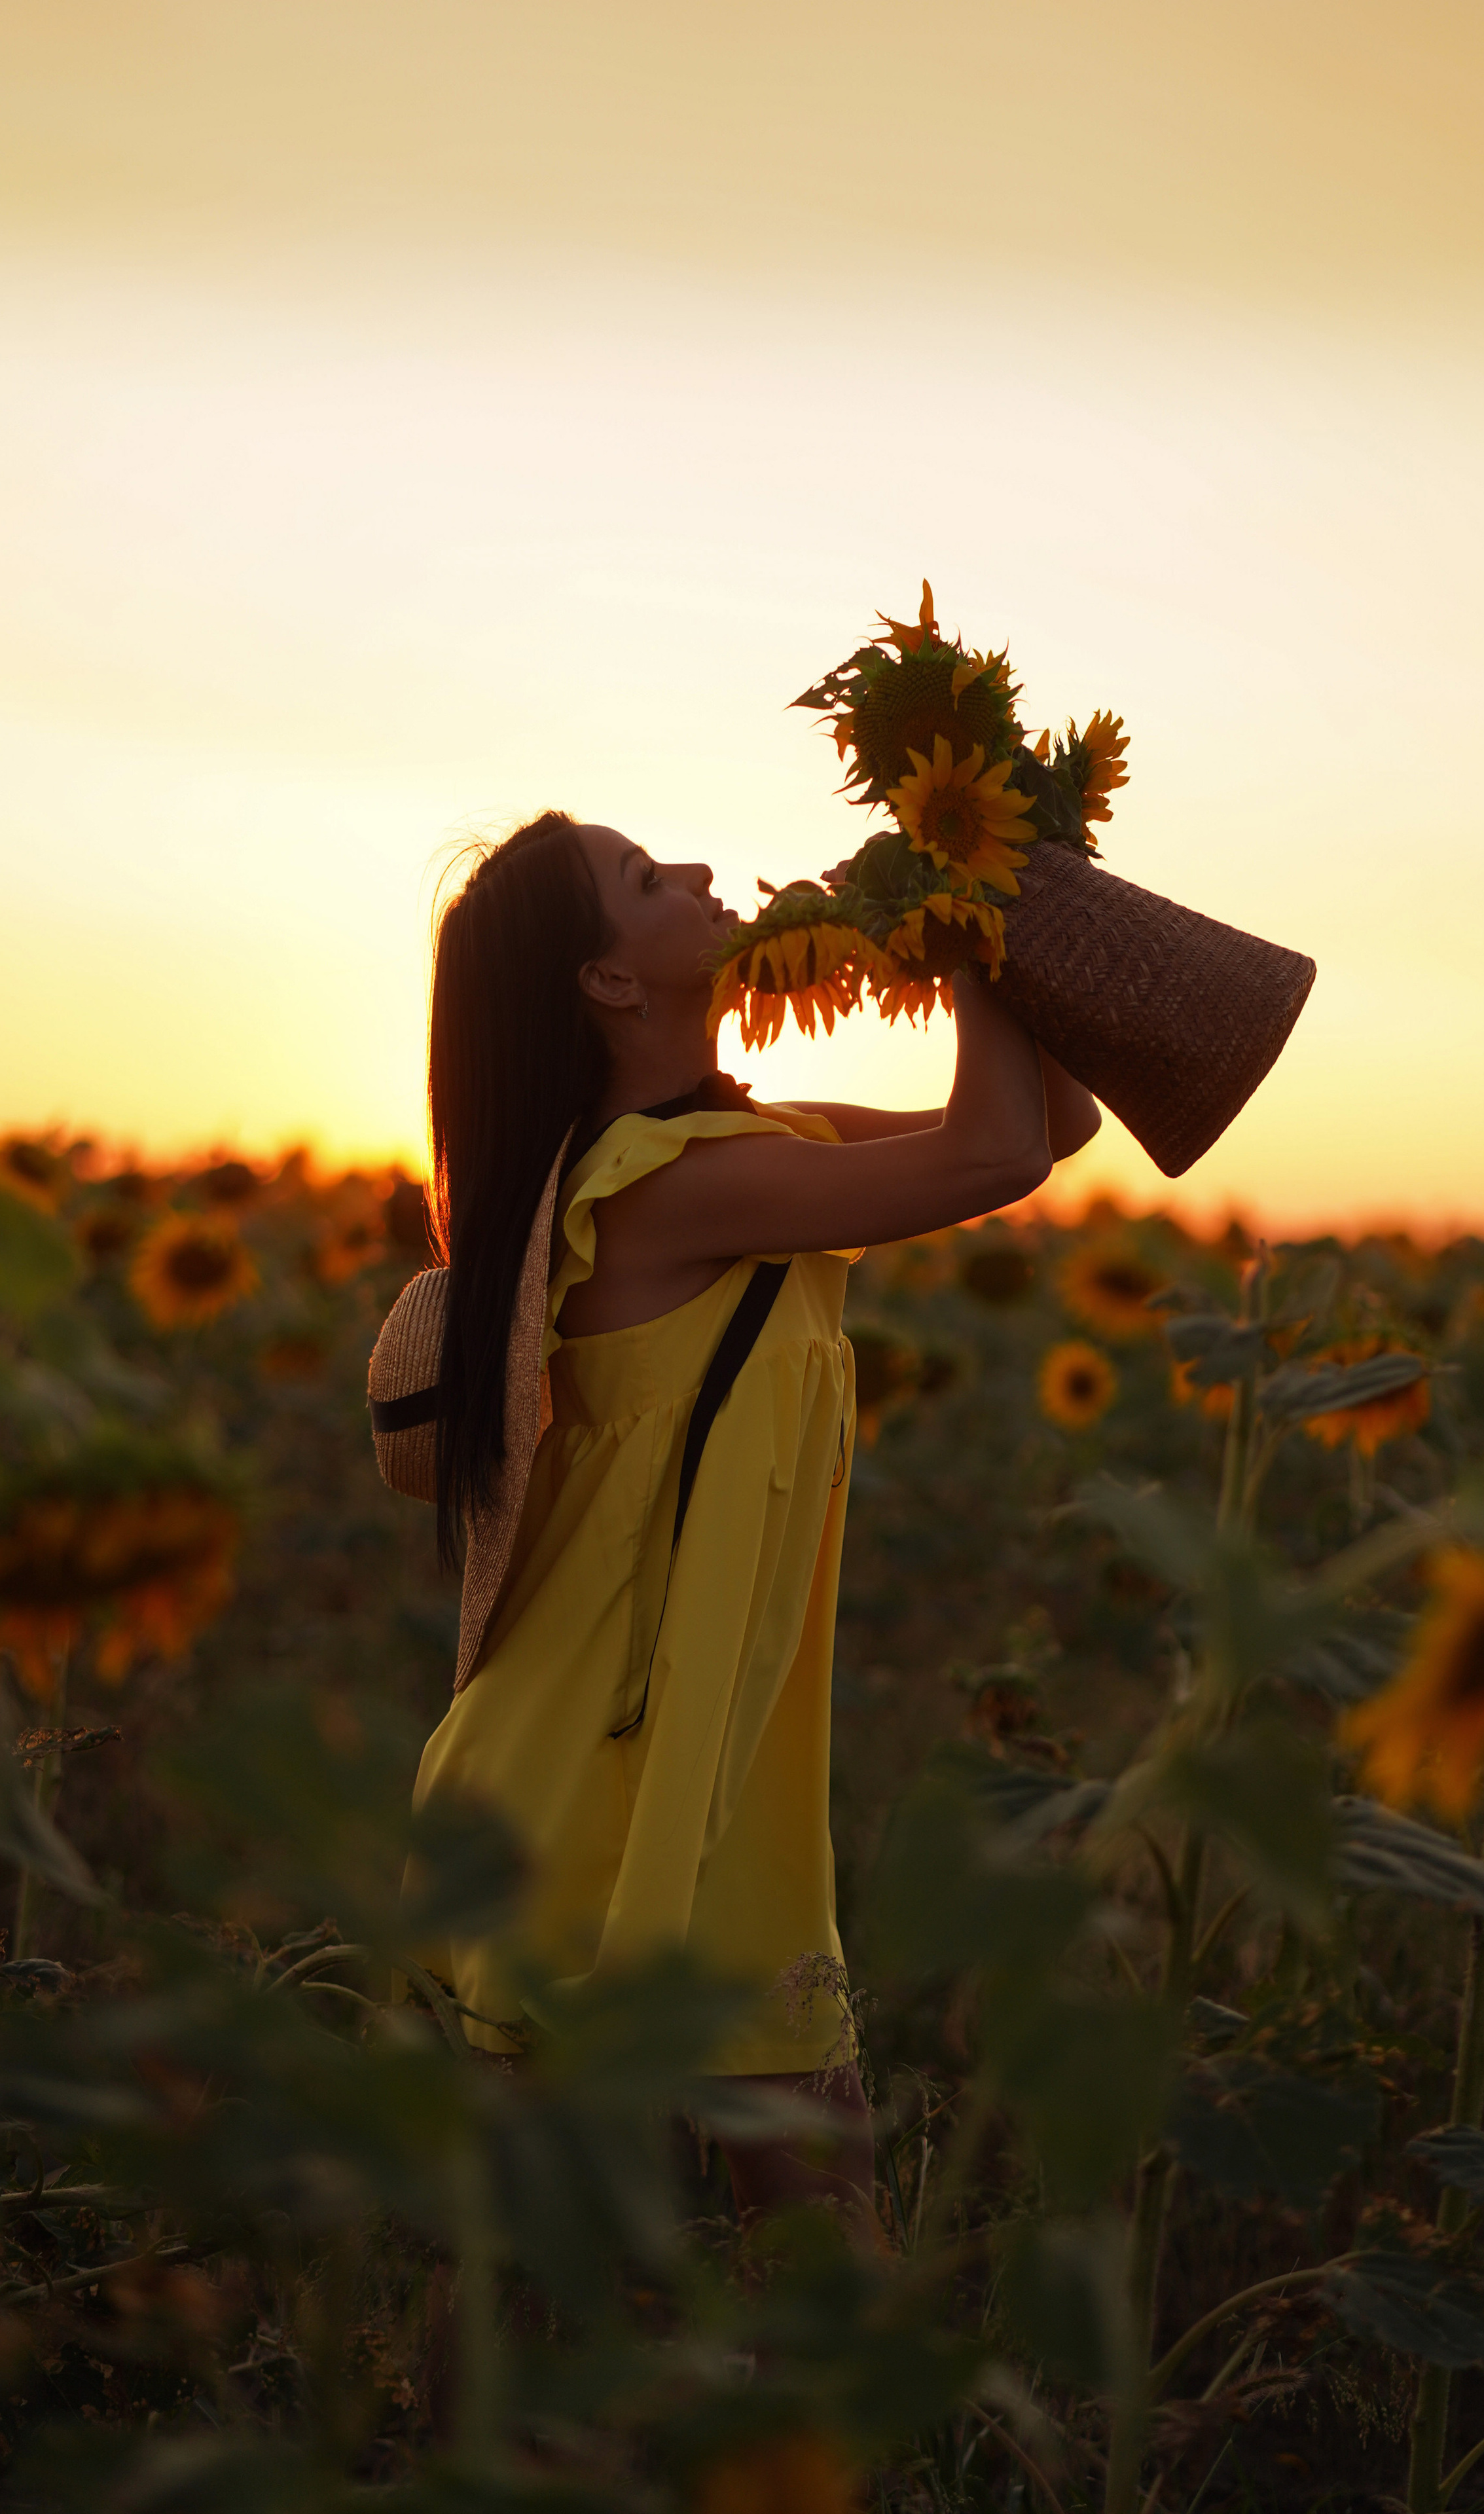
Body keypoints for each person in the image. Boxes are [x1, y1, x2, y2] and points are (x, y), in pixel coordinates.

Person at [374, 809, 1099, 2222]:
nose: (704, 875)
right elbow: (994, 1154)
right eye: (645, 880)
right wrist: (964, 920)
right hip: (591, 1788)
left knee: (805, 2256)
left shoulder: (740, 1145)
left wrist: (989, 912)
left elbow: (1045, 1123)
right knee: (577, 2290)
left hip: (715, 1776)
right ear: (605, 982)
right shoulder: (661, 1189)